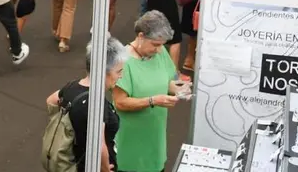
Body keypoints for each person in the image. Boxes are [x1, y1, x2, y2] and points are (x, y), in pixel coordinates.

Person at [112, 11, 191, 172]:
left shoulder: (159, 54)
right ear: (140, 36)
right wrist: (153, 101)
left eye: (162, 44)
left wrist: (177, 89)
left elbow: (165, 81)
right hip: (130, 139)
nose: (159, 49)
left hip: (155, 136)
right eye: (155, 44)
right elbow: (120, 102)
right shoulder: (123, 61)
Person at [45, 38, 126, 172]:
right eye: (118, 71)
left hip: (69, 161)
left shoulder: (71, 87)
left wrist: (66, 126)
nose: (121, 76)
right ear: (102, 72)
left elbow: (51, 100)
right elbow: (100, 147)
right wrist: (106, 168)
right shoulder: (97, 104)